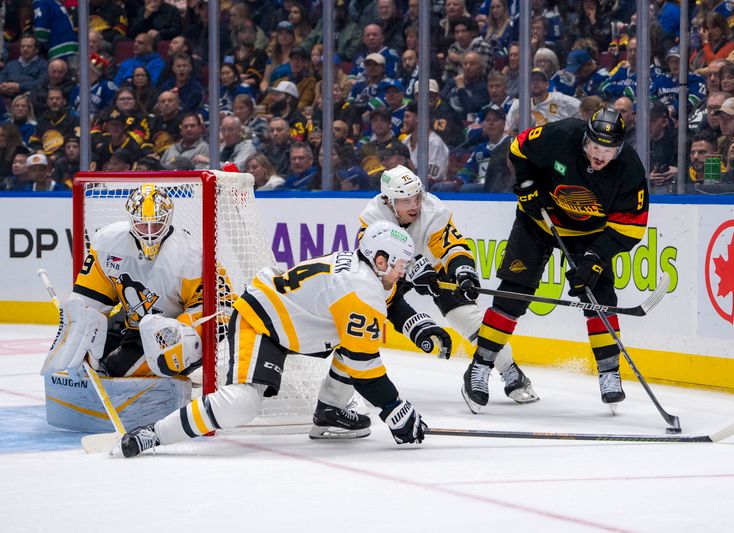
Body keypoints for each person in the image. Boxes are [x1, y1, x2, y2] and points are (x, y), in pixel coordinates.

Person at [118, 221, 430, 457]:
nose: (403, 272)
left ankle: (330, 412)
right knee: (242, 403)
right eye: (401, 264)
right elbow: (364, 366)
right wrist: (395, 408)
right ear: (380, 260)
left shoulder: (367, 274)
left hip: (288, 322)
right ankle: (153, 435)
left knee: (356, 344)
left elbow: (377, 323)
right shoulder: (360, 290)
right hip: (261, 322)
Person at [463, 110, 648, 413]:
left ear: (619, 150)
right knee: (514, 292)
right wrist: (526, 186)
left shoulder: (629, 170)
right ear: (585, 139)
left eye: (608, 150)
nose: (600, 156)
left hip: (589, 233)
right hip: (538, 221)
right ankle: (480, 366)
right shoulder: (561, 135)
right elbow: (518, 149)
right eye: (595, 148)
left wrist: (594, 259)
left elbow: (629, 228)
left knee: (598, 296)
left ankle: (610, 373)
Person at [360, 165, 538, 407]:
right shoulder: (372, 218)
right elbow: (374, 263)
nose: (414, 205)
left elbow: (452, 247)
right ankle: (349, 379)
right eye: (405, 200)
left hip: (434, 266)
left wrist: (464, 272)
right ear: (388, 201)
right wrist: (411, 270)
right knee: (364, 309)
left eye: (416, 196)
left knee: (468, 317)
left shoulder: (433, 209)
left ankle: (509, 370)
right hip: (391, 271)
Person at [44, 183, 204, 382]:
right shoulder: (108, 242)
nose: (149, 231)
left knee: (114, 373)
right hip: (132, 323)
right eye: (142, 224)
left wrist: (179, 337)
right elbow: (90, 297)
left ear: (168, 218)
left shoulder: (191, 255)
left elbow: (214, 309)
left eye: (156, 223)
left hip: (169, 334)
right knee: (81, 362)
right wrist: (79, 321)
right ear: (131, 219)